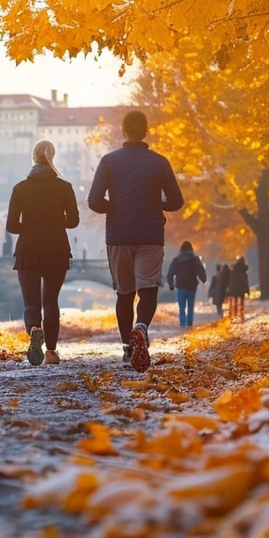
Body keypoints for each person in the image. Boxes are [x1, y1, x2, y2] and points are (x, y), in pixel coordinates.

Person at [88, 110, 184, 372]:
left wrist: (118, 206)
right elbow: (176, 201)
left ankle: (128, 347)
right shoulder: (160, 163)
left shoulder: (108, 162)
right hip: (150, 234)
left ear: (123, 131)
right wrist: (155, 204)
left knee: (124, 293)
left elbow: (94, 202)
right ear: (146, 131)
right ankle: (141, 327)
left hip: (119, 235)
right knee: (148, 288)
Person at [7, 140, 80, 366]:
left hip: (28, 250)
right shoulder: (65, 187)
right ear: (52, 157)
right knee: (50, 302)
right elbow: (74, 221)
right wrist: (55, 221)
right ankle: (50, 351)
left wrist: (29, 227)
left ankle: (34, 331)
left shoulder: (20, 188)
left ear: (33, 157)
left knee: (31, 304)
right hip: (56, 249)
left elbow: (11, 225)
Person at [166, 241, 207, 328]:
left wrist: (171, 284)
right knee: (190, 307)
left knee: (182, 308)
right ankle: (189, 326)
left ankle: (182, 325)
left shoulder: (177, 260)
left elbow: (170, 273)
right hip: (192, 287)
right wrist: (203, 279)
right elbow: (201, 271)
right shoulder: (195, 260)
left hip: (180, 286)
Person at [227, 256, 251, 323]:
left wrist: (230, 289)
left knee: (234, 303)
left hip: (234, 289)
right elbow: (245, 282)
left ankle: (233, 316)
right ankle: (241, 316)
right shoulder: (244, 272)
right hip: (241, 290)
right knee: (241, 303)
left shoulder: (234, 271)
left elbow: (231, 281)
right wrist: (247, 291)